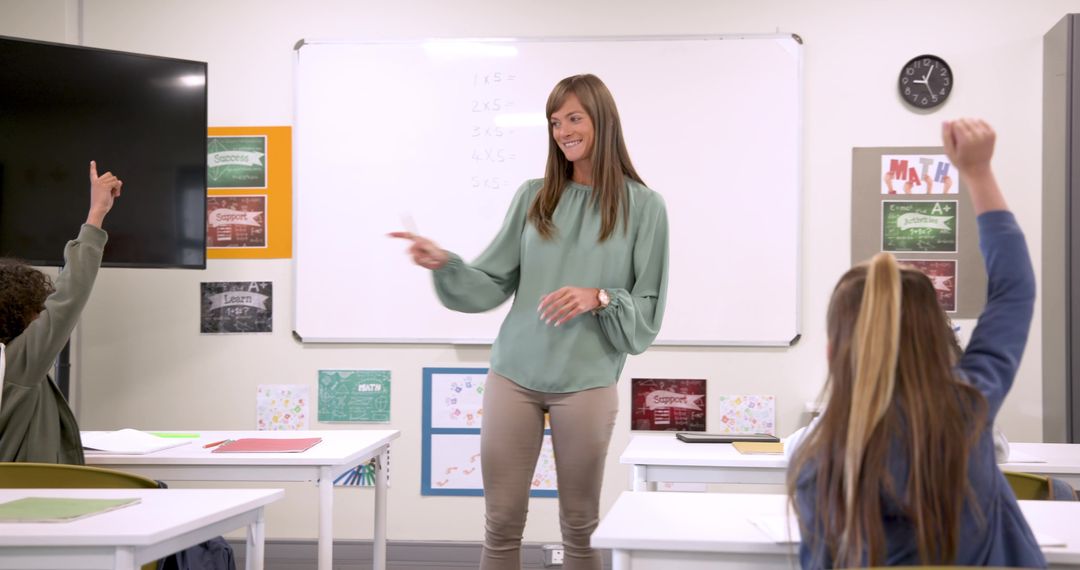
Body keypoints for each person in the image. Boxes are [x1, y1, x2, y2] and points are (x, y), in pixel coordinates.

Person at [391, 74, 669, 570]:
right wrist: (446, 263)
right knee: (500, 525)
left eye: (574, 117)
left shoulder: (644, 207)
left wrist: (600, 296)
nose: (563, 130)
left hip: (586, 380)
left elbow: (646, 310)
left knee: (581, 528)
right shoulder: (534, 196)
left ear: (602, 120)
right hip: (513, 375)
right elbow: (492, 280)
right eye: (555, 121)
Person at [788, 118, 1045, 568]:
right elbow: (1014, 289)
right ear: (938, 343)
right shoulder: (970, 407)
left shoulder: (816, 466)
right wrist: (978, 172)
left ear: (833, 353)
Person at [0, 161, 123, 464]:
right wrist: (96, 214)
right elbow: (70, 293)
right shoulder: (18, 363)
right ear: (21, 311)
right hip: (25, 501)